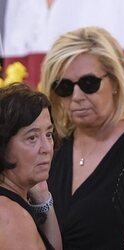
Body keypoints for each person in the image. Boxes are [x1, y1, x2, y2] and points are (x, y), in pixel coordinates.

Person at [39, 26, 124, 249]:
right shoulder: (54, 148)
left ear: (114, 82)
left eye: (88, 84)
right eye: (64, 87)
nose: (76, 97)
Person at [0, 83, 62, 250]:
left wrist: (43, 198)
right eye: (32, 138)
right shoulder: (11, 217)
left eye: (48, 134)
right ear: (4, 145)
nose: (47, 148)